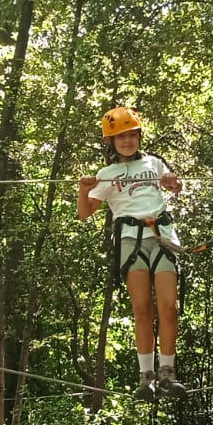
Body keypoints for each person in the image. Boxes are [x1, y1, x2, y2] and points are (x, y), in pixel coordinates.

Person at [77, 106, 187, 401]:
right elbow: (85, 213)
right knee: (142, 308)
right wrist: (83, 190)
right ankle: (146, 377)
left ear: (139, 136)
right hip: (130, 239)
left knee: (169, 307)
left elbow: (175, 186)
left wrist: (173, 181)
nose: (127, 141)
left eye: (132, 135)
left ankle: (167, 374)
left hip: (162, 237)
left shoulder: (154, 163)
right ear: (111, 141)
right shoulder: (107, 174)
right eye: (120, 136)